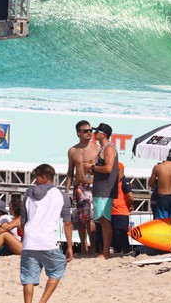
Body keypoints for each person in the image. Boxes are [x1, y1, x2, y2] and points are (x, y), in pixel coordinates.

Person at [20, 163, 72, 303]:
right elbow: (67, 222)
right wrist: (70, 247)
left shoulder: (28, 196)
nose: (35, 181)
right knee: (59, 267)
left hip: (29, 240)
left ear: (43, 177)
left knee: (28, 278)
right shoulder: (61, 196)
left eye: (36, 178)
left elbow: (23, 222)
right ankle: (42, 301)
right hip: (47, 240)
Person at [65, 119, 98, 254]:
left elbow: (103, 168)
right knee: (79, 219)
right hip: (78, 187)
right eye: (85, 131)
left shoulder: (97, 148)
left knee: (90, 218)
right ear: (78, 133)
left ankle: (93, 246)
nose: (89, 133)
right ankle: (83, 246)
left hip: (92, 185)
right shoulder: (73, 150)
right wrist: (66, 191)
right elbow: (70, 172)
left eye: (90, 130)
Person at [89, 123, 117, 260]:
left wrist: (93, 168)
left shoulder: (109, 148)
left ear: (103, 134)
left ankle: (106, 252)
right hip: (101, 188)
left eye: (97, 132)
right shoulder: (104, 148)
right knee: (101, 219)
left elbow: (108, 168)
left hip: (105, 189)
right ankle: (104, 251)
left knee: (105, 220)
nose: (94, 134)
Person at [110, 163, 133, 255]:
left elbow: (130, 197)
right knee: (115, 235)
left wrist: (127, 206)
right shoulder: (114, 181)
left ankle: (126, 251)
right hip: (113, 212)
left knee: (122, 233)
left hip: (121, 211)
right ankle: (117, 251)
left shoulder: (124, 182)